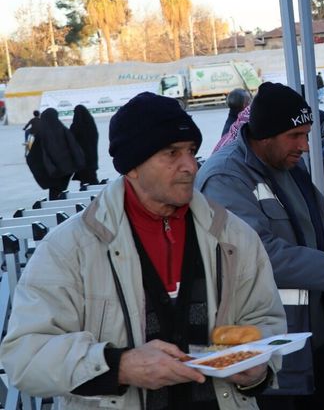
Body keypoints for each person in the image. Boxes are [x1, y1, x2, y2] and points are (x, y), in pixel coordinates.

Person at [0, 92, 287, 408]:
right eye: (172, 153)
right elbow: (25, 356)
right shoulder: (70, 248)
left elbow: (264, 321)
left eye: (191, 151)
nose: (190, 165)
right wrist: (118, 365)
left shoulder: (233, 236)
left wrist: (259, 369)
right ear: (132, 166)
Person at [195, 82, 324, 409]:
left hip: (314, 335)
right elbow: (259, 254)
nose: (304, 146)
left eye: (306, 135)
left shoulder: (286, 162)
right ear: (265, 135)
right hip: (269, 349)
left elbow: (317, 227)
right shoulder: (225, 178)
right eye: (295, 136)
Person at [25, 107, 85, 199]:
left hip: (52, 171)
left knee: (55, 192)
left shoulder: (41, 134)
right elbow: (74, 147)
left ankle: (56, 207)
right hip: (67, 169)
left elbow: (32, 156)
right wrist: (79, 162)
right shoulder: (63, 129)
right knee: (60, 190)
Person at [70, 104, 100, 186]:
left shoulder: (76, 126)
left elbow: (70, 138)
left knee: (86, 181)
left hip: (80, 160)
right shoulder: (91, 125)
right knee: (92, 179)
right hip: (92, 159)